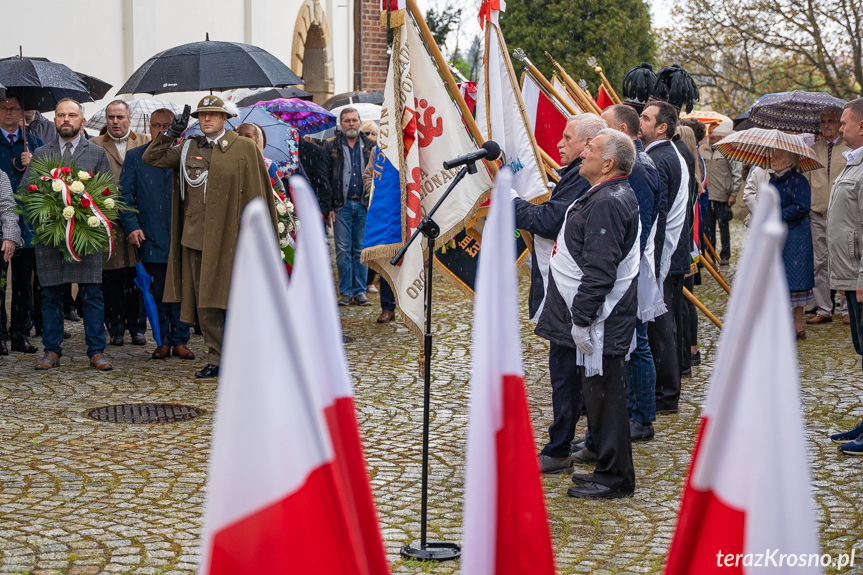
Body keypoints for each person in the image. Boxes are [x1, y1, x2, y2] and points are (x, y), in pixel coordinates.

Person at [536, 129, 640, 498]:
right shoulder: (604, 195)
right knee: (598, 395)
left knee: (607, 396)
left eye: (591, 149)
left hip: (602, 322)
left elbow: (600, 270)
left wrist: (581, 318)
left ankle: (615, 477)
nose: (583, 154)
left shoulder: (608, 201)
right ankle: (607, 466)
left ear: (608, 163)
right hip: (597, 320)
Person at [143, 96, 277, 378]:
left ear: (225, 118)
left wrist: (260, 235)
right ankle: (216, 357)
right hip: (197, 236)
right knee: (207, 302)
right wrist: (171, 134)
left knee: (236, 298)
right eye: (202, 115)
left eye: (213, 115)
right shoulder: (189, 147)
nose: (206, 120)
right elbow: (151, 158)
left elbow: (258, 193)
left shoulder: (244, 148)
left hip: (233, 237)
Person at [513, 114, 601, 473]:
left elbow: (550, 220)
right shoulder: (580, 176)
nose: (559, 144)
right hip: (574, 289)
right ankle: (589, 439)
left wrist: (510, 199)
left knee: (567, 371)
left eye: (568, 138)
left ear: (589, 145)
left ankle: (560, 447)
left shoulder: (585, 178)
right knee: (577, 371)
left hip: (572, 290)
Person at [21, 99, 113, 371]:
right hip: (51, 238)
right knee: (50, 295)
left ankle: (96, 351)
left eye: (72, 115)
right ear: (55, 120)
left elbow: (108, 193)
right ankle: (52, 351)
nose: (66, 119)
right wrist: (45, 214)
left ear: (82, 121)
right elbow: (27, 191)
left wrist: (88, 219)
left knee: (92, 294)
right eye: (61, 115)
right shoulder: (41, 153)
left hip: (85, 237)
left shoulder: (95, 153)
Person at [602, 104, 662, 442]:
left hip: (631, 268)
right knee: (632, 342)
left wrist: (621, 269)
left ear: (622, 130)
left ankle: (642, 417)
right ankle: (633, 410)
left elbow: (636, 225)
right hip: (630, 266)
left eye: (606, 127)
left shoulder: (638, 167)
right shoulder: (637, 161)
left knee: (637, 343)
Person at [119, 108, 194, 361]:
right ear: (148, 127)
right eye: (156, 125)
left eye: (167, 125)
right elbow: (124, 197)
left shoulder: (188, 156)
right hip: (150, 234)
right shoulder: (135, 157)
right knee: (158, 291)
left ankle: (180, 339)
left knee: (183, 291)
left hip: (184, 234)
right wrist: (132, 226)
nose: (161, 130)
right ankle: (162, 340)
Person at [639, 101, 690, 414]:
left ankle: (666, 393)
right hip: (670, 253)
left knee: (660, 325)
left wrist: (651, 261)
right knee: (665, 323)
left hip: (663, 254)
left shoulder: (658, 157)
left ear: (662, 127)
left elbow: (656, 214)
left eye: (645, 118)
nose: (639, 122)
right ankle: (666, 389)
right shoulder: (668, 153)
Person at [90, 100, 150, 347]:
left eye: (120, 117)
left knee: (138, 275)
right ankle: (114, 327)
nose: (115, 121)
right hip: (109, 220)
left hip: (140, 218)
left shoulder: (145, 141)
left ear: (129, 118)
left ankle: (137, 327)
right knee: (112, 277)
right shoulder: (95, 145)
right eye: (111, 117)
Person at [827, 97, 863, 454]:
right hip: (848, 274)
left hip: (859, 275)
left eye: (844, 123)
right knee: (861, 349)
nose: (840, 129)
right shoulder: (853, 163)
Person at [0, 95, 42, 354]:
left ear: (22, 112)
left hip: (28, 221)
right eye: (3, 108)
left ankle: (20, 332)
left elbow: (51, 181)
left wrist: (33, 165)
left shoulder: (34, 144)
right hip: (2, 223)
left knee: (24, 282)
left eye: (13, 108)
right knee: (0, 282)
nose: (8, 113)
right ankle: (0, 334)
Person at [324, 108, 375, 306]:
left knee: (361, 249)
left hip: (363, 203)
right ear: (341, 124)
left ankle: (360, 291)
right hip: (341, 205)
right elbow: (327, 178)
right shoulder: (331, 146)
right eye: (347, 121)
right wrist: (328, 206)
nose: (351, 124)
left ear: (360, 122)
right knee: (343, 249)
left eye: (354, 120)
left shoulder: (371, 147)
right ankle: (346, 292)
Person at [806, 106, 849, 325]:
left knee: (843, 260)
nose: (826, 125)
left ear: (840, 124)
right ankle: (824, 308)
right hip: (818, 213)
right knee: (819, 263)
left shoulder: (849, 148)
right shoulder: (814, 149)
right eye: (822, 122)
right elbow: (807, 180)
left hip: (843, 215)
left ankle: (847, 309)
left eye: (830, 121)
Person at [770, 148, 814, 339]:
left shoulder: (799, 180)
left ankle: (797, 324)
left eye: (777, 157)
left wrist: (777, 214)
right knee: (780, 279)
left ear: (788, 162)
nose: (772, 159)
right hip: (778, 235)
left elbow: (802, 206)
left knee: (798, 280)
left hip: (796, 235)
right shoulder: (772, 180)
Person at [700, 122, 742, 265]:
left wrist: (733, 194)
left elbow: (737, 173)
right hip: (706, 195)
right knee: (708, 227)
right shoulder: (702, 149)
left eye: (713, 132)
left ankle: (725, 255)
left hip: (722, 196)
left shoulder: (728, 151)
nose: (710, 135)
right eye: (709, 132)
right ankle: (710, 254)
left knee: (723, 227)